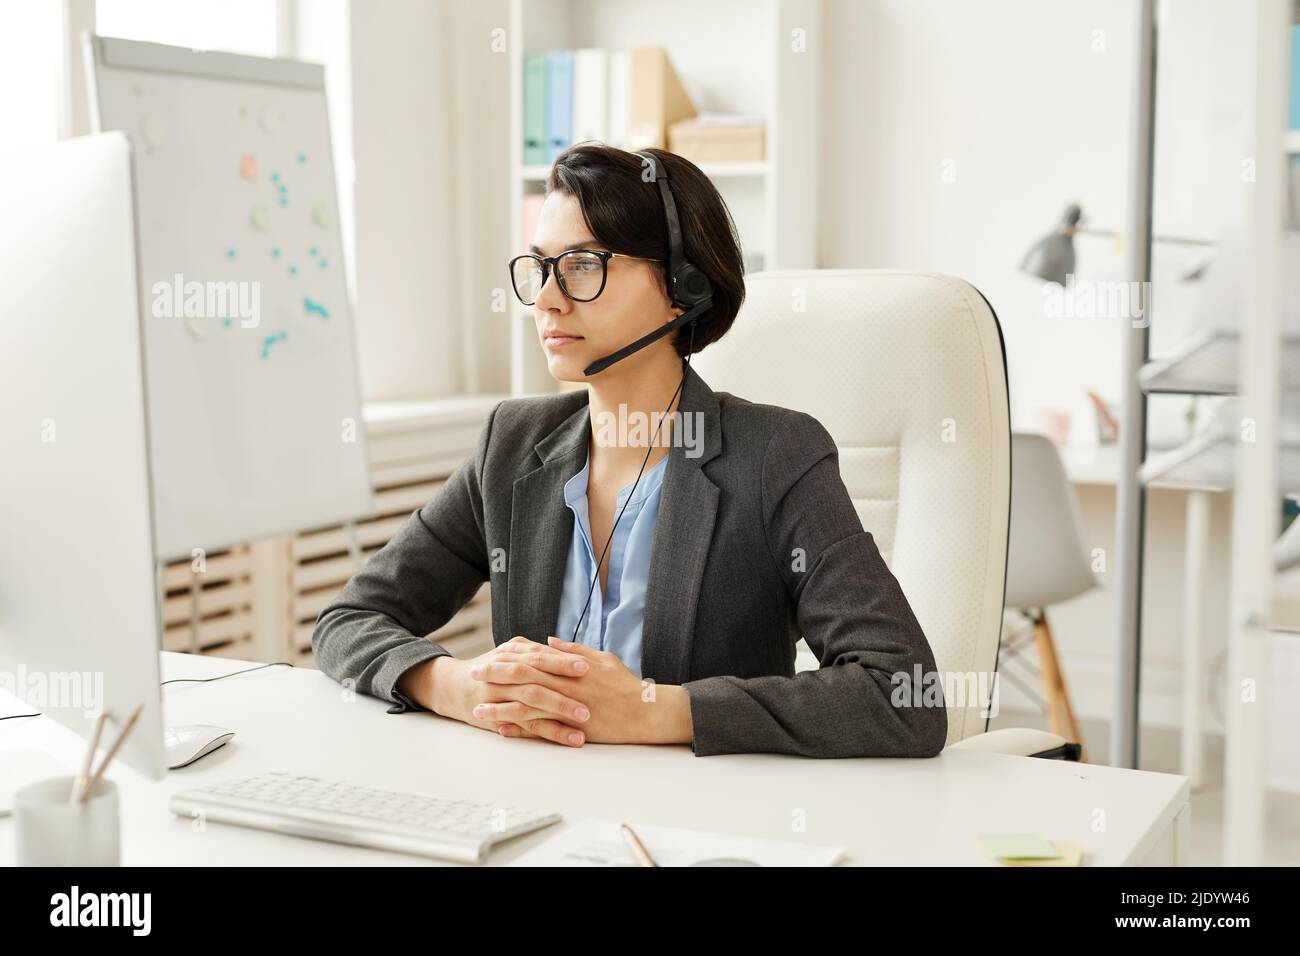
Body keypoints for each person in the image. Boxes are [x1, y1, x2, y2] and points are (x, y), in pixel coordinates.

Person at [313, 144, 946, 758]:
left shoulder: (775, 454)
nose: (549, 299)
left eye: (585, 264)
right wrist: (458, 685)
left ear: (683, 288)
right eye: (540, 267)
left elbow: (902, 694)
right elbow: (349, 619)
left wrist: (654, 710)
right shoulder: (511, 444)